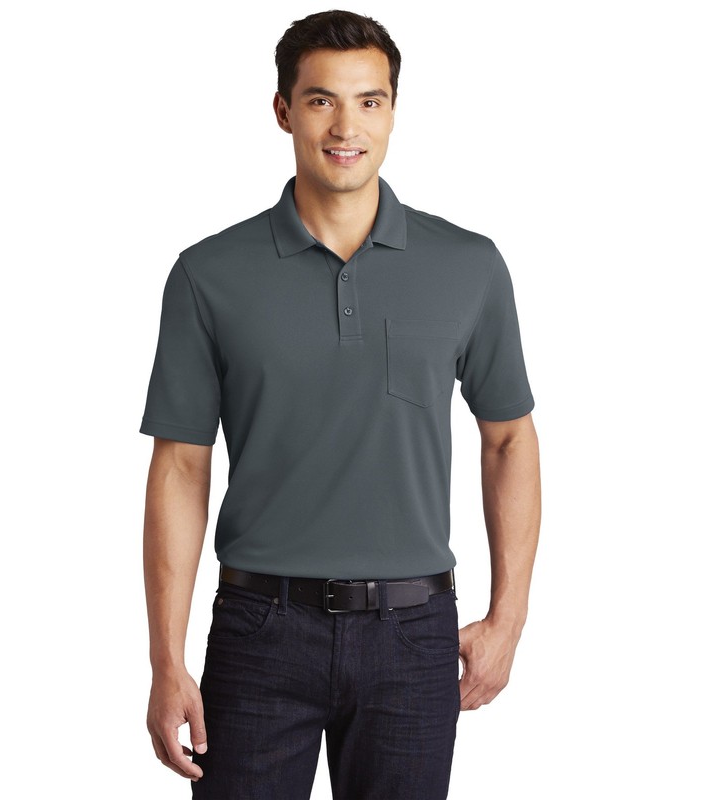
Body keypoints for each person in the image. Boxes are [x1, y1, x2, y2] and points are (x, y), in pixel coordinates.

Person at [140, 9, 541, 799]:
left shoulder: (469, 266)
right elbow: (181, 465)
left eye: (369, 101)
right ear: (284, 110)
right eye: (321, 100)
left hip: (414, 632)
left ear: (392, 110)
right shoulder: (207, 274)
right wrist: (165, 659)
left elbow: (509, 441)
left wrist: (509, 617)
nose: (346, 126)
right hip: (259, 629)